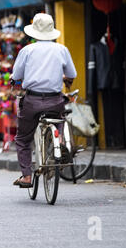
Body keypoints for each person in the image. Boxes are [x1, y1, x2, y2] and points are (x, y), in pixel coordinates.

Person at [11, 13, 77, 188]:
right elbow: (72, 74)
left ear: (34, 32)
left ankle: (26, 177)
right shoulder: (61, 49)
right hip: (55, 100)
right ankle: (61, 140)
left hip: (32, 101)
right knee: (60, 115)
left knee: (23, 139)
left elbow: (16, 75)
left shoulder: (27, 50)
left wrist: (15, 80)